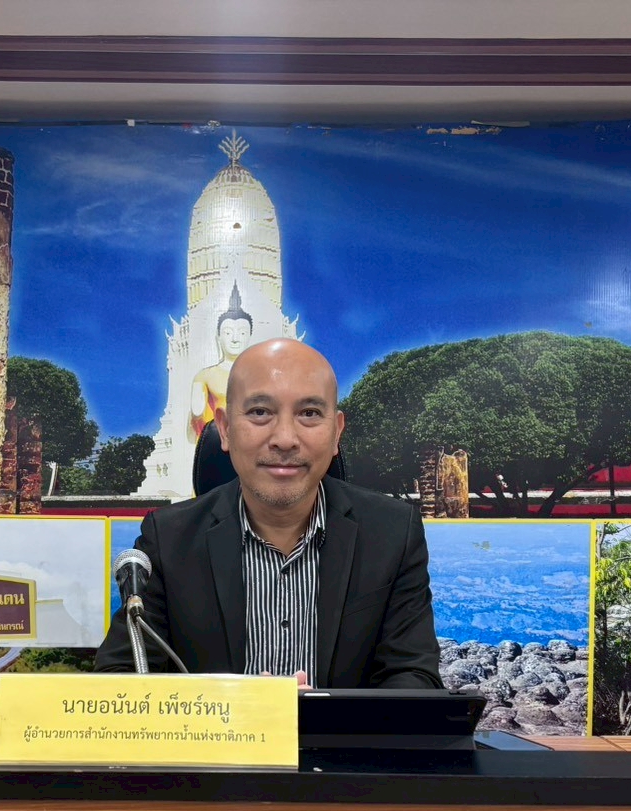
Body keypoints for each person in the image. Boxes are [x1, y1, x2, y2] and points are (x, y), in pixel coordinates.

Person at [95, 337, 442, 688]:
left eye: (309, 413)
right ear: (225, 428)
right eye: (260, 412)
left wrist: (325, 714)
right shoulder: (168, 539)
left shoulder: (393, 532)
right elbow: (119, 679)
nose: (285, 438)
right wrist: (245, 710)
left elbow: (414, 676)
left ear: (336, 432)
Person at [187, 283, 254, 443]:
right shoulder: (205, 376)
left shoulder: (261, 376)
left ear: (250, 336)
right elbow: (197, 412)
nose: (235, 339)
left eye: (242, 333)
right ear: (218, 337)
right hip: (217, 441)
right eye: (228, 333)